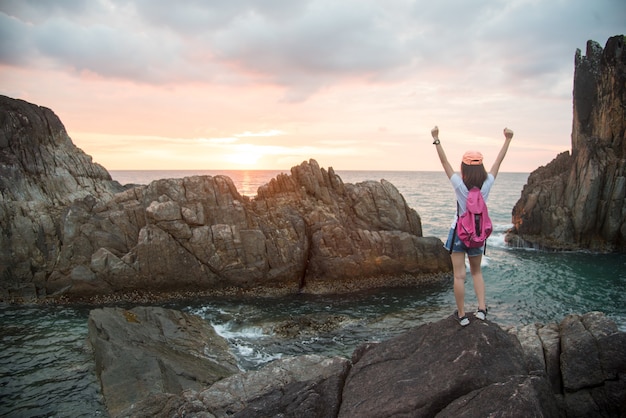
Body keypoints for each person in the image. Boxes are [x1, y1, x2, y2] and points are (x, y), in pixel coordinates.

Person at [430, 125, 514, 326]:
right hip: (477, 233)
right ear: (481, 167)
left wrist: (436, 138)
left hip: (458, 232)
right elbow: (498, 162)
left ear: (464, 167)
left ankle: (461, 316)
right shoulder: (486, 185)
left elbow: (444, 162)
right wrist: (508, 140)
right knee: (476, 272)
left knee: (459, 276)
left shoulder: (459, 184)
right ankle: (482, 310)